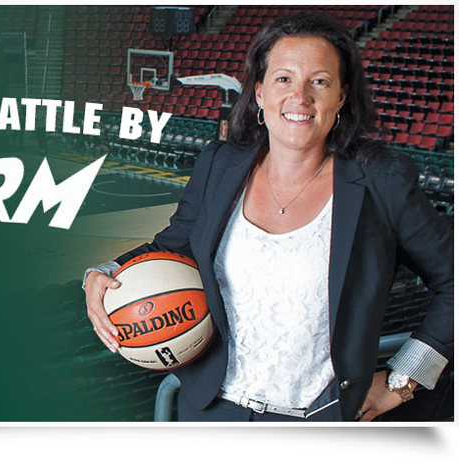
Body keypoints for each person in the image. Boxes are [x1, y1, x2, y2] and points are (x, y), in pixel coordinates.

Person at [84, 13, 453, 422]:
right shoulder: (220, 165)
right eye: (283, 79)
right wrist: (103, 273)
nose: (300, 97)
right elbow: (173, 247)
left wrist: (403, 379)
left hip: (321, 418)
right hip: (209, 413)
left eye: (319, 81)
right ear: (258, 92)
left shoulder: (381, 181)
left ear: (342, 97)